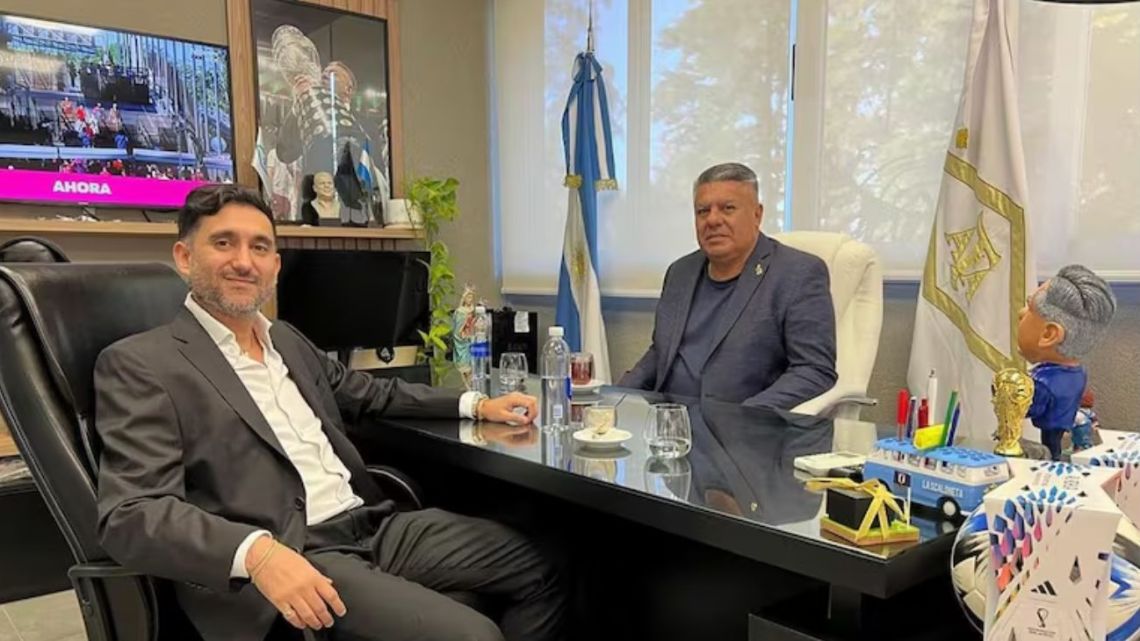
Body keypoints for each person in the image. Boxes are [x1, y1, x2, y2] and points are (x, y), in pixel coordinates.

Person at [95, 184, 566, 641]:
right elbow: (131, 513)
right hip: (294, 552)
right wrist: (258, 554)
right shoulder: (143, 363)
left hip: (372, 527)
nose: (244, 261)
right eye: (223, 243)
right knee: (474, 634)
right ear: (184, 257)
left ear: (275, 265)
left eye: (259, 247)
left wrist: (476, 404)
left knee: (550, 564)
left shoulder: (286, 340)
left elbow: (371, 394)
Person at [619, 162, 837, 409]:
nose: (712, 220)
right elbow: (661, 352)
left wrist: (747, 414)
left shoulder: (798, 273)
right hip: (667, 422)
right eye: (703, 211)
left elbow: (814, 370)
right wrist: (614, 397)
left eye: (728, 208)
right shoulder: (680, 272)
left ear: (757, 215)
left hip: (742, 424)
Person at [1016, 264, 1116, 460]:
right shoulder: (1079, 372)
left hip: (1051, 424)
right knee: (1055, 446)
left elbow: (1029, 408)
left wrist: (1012, 399)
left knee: (1050, 449)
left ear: (1049, 334)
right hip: (1065, 420)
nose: (1021, 313)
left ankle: (1052, 459)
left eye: (1029, 307)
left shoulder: (1043, 382)